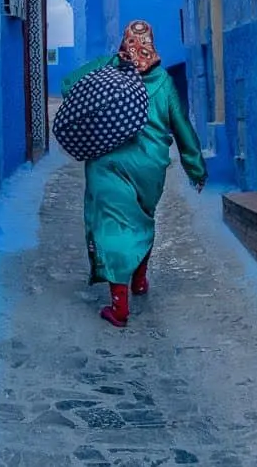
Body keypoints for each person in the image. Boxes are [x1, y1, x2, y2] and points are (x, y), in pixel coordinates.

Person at [61, 20, 208, 327]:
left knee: (112, 227)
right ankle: (139, 280)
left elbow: (69, 84)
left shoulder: (108, 69)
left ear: (124, 42)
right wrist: (195, 168)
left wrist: (106, 72)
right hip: (150, 168)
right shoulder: (164, 82)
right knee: (141, 220)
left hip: (107, 164)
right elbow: (181, 126)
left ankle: (119, 305)